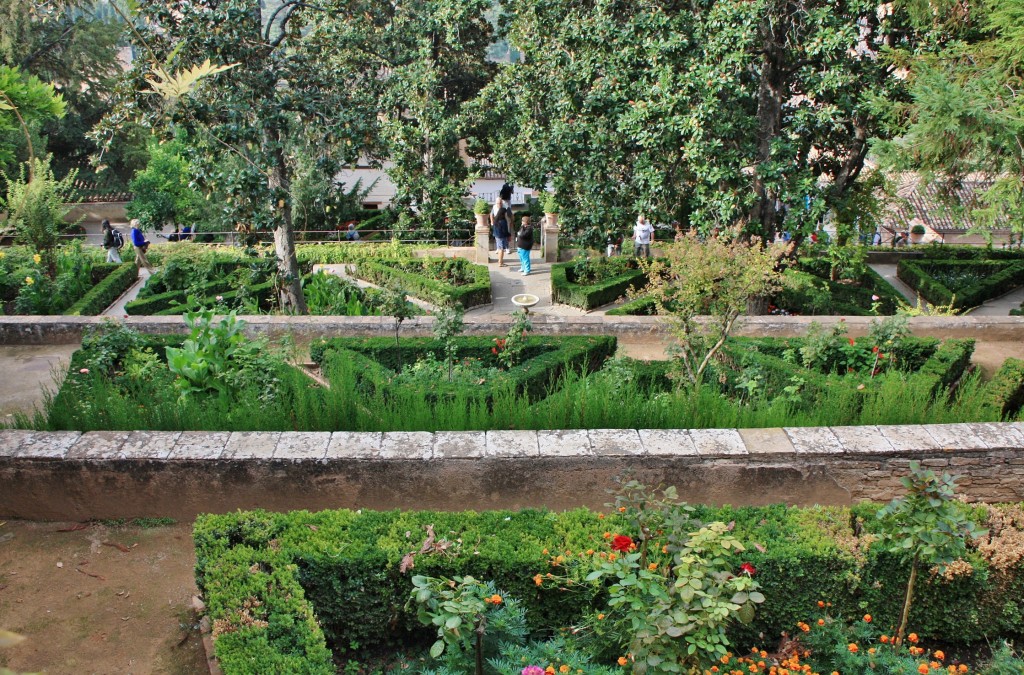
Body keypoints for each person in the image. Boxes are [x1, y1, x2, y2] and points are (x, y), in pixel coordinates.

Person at [490, 195, 512, 266]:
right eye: (498, 203)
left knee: (500, 248)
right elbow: (505, 230)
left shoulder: (497, 221)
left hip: (497, 234)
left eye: (500, 203)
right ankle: (500, 262)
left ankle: (500, 261)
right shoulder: (502, 221)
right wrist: (508, 235)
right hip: (500, 235)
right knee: (501, 249)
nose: (499, 204)